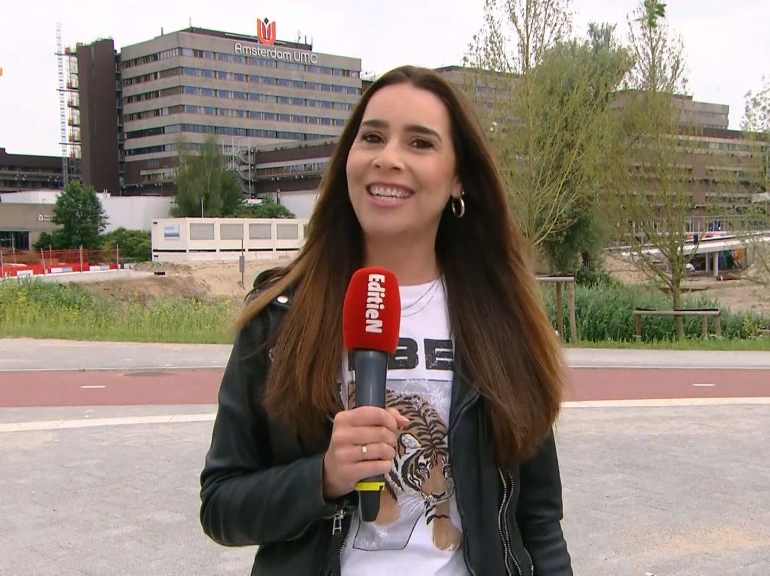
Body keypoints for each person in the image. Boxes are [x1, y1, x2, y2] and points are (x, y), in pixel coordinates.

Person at [199, 65, 573, 575]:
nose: (388, 158)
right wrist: (322, 477)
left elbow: (539, 520)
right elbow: (221, 505)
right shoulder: (280, 316)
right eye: (372, 137)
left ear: (458, 178)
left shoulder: (503, 321)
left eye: (420, 143)